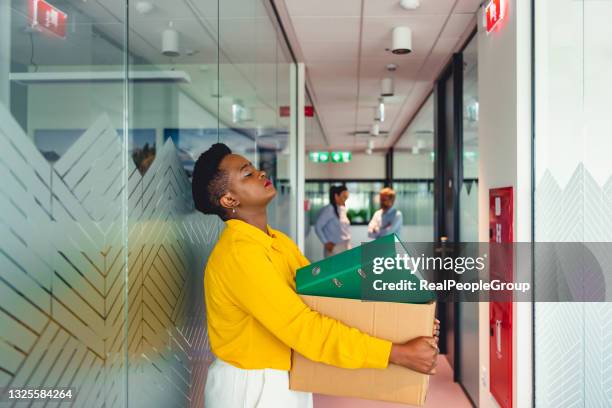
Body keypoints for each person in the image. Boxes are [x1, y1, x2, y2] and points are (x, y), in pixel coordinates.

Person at [192, 143, 439, 408]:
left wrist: (405, 325)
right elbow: (304, 327)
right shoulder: (239, 255)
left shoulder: (278, 241)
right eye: (247, 174)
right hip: (252, 386)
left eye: (254, 168)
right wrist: (396, 353)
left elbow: (323, 300)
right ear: (229, 200)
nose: (261, 173)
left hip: (284, 376)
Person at [314, 185, 351, 258]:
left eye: (346, 197)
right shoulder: (329, 209)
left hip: (345, 246)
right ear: (336, 196)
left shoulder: (342, 209)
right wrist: (326, 242)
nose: (345, 199)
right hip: (335, 248)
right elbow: (318, 227)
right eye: (344, 197)